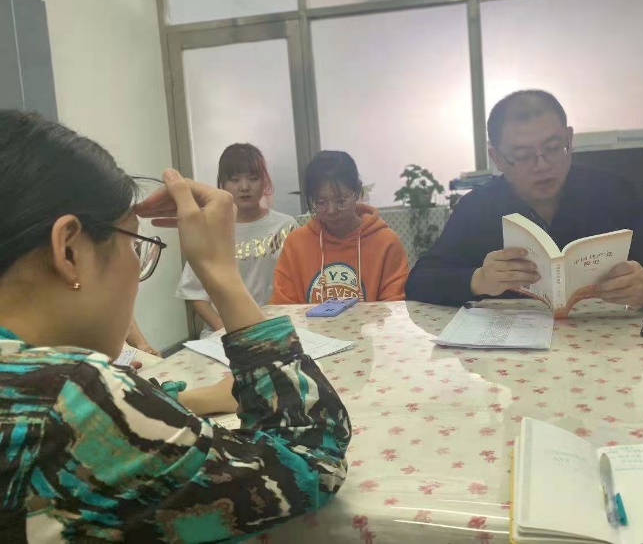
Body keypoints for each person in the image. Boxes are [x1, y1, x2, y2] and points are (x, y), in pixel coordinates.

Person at [0, 111, 350, 541]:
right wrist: (220, 273)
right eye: (135, 244)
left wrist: (191, 399)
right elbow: (313, 458)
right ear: (69, 251)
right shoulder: (69, 398)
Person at [405, 90, 643, 307]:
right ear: (497, 158)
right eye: (523, 155)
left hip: (602, 347)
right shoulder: (477, 206)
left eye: (553, 147)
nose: (543, 165)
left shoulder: (614, 192)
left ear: (569, 139)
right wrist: (478, 280)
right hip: (512, 356)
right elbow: (420, 281)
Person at [177, 143, 297, 337]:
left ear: (265, 182)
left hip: (274, 329)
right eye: (235, 180)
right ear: (222, 185)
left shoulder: (285, 226)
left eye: (253, 178)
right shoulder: (211, 229)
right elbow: (194, 294)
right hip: (222, 333)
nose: (244, 187)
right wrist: (228, 331)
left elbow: (297, 286)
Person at [270, 150, 408, 304]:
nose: (331, 210)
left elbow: (395, 308)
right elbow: (283, 308)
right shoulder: (296, 244)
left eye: (341, 201)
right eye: (320, 202)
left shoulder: (385, 243)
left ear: (358, 192)